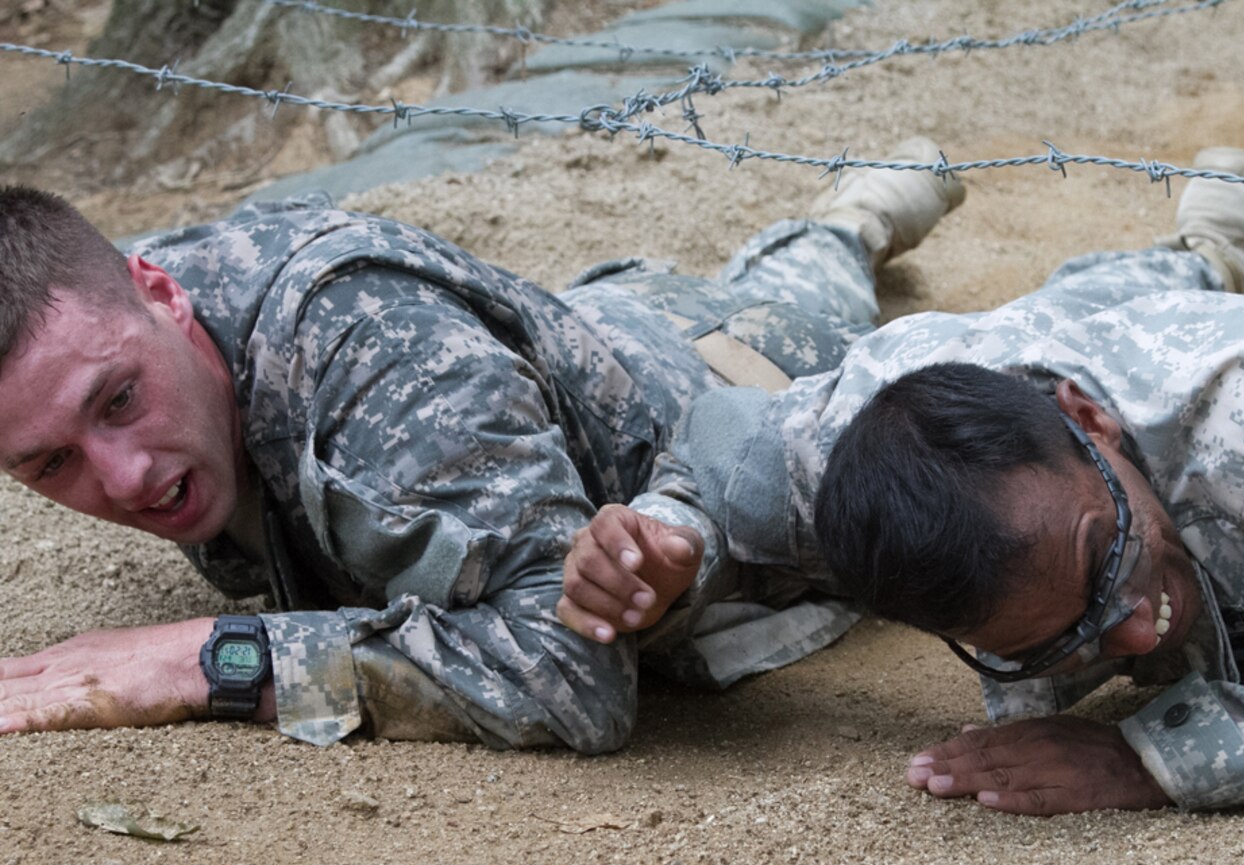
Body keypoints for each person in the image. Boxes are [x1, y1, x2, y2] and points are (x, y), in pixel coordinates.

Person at [561, 147, 1244, 812]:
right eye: (1064, 641)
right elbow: (717, 469)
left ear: (1085, 420)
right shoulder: (856, 436)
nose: (1137, 636)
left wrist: (1152, 757)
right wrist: (666, 556)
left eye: (1105, 563)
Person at [0, 139, 964, 749]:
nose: (119, 478)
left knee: (819, 302)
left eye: (119, 400)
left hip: (726, 372)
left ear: (161, 295)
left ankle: (858, 216)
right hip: (580, 335)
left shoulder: (366, 341)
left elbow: (571, 674)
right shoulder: (91, 309)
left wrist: (208, 661)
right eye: (51, 463)